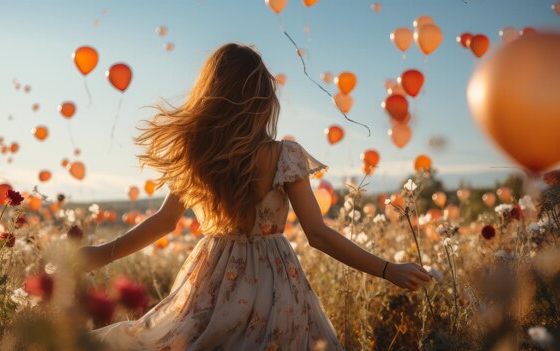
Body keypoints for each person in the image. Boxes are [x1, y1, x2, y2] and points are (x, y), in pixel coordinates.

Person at [78, 43, 432, 350]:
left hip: (212, 278)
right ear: (262, 98)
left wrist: (98, 255)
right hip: (275, 284)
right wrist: (388, 270)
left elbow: (164, 222)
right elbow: (318, 234)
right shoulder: (285, 155)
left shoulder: (199, 153)